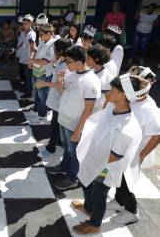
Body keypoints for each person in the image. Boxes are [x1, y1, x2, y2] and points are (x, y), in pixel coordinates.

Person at [71, 75, 143, 234]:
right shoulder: (113, 108)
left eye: (113, 91)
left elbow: (115, 157)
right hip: (95, 159)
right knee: (85, 182)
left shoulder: (127, 127)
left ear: (123, 95)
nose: (107, 93)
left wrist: (94, 162)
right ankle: (88, 208)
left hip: (106, 167)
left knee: (98, 194)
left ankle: (95, 224)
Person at [107, 66, 160, 225]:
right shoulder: (134, 101)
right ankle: (119, 201)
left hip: (133, 152)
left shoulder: (148, 109)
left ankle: (132, 210)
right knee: (117, 175)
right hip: (123, 147)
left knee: (125, 180)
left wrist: (141, 155)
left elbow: (157, 136)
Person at [48, 45, 101, 190]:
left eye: (68, 61)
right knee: (66, 148)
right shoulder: (70, 74)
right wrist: (60, 80)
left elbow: (89, 109)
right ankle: (64, 166)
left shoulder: (91, 81)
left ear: (79, 62)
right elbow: (62, 93)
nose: (66, 64)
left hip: (75, 124)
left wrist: (79, 130)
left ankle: (73, 178)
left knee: (75, 152)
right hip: (64, 120)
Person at [36, 38, 72, 158]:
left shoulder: (66, 66)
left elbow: (61, 85)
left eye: (56, 49)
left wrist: (44, 84)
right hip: (57, 99)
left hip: (60, 101)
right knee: (57, 123)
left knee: (56, 124)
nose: (54, 51)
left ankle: (51, 147)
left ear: (61, 50)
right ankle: (59, 142)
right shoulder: (61, 61)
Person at [27, 23, 56, 123]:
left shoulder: (52, 44)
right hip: (37, 71)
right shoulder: (43, 41)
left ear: (49, 33)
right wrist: (32, 60)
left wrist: (31, 61)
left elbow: (45, 61)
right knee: (37, 93)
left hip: (44, 73)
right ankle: (36, 110)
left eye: (42, 34)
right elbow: (37, 53)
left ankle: (42, 115)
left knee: (43, 94)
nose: (40, 36)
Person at [86, 45, 114, 111]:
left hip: (95, 113)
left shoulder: (107, 77)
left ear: (96, 59)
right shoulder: (90, 71)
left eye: (88, 58)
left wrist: (101, 114)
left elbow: (108, 99)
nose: (86, 60)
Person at [16, 14, 36, 98]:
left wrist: (31, 59)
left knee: (28, 77)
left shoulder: (31, 34)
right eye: (23, 24)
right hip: (24, 58)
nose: (24, 25)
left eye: (26, 24)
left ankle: (28, 93)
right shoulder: (26, 33)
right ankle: (27, 90)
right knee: (26, 75)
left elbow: (32, 47)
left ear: (31, 24)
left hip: (28, 59)